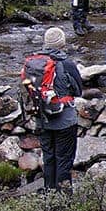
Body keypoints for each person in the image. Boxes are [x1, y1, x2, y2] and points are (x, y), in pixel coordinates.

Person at [36, 27, 83, 191]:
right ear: (62, 44)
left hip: (42, 119)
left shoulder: (34, 64)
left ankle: (49, 196)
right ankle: (63, 200)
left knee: (48, 158)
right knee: (64, 159)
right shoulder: (67, 64)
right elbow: (78, 90)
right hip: (65, 120)